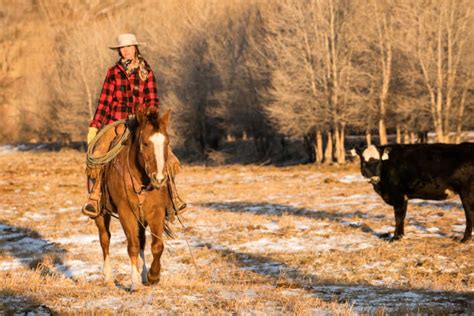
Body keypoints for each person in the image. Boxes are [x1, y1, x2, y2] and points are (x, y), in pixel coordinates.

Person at [82, 33, 186, 218]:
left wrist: (150, 120)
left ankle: (173, 196)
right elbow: (104, 101)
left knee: (164, 153)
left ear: (135, 48)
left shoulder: (147, 70)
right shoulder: (113, 73)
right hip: (118, 122)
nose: (126, 50)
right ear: (119, 50)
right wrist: (95, 125)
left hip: (142, 122)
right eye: (122, 48)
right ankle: (95, 195)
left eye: (129, 47)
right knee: (100, 153)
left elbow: (153, 100)